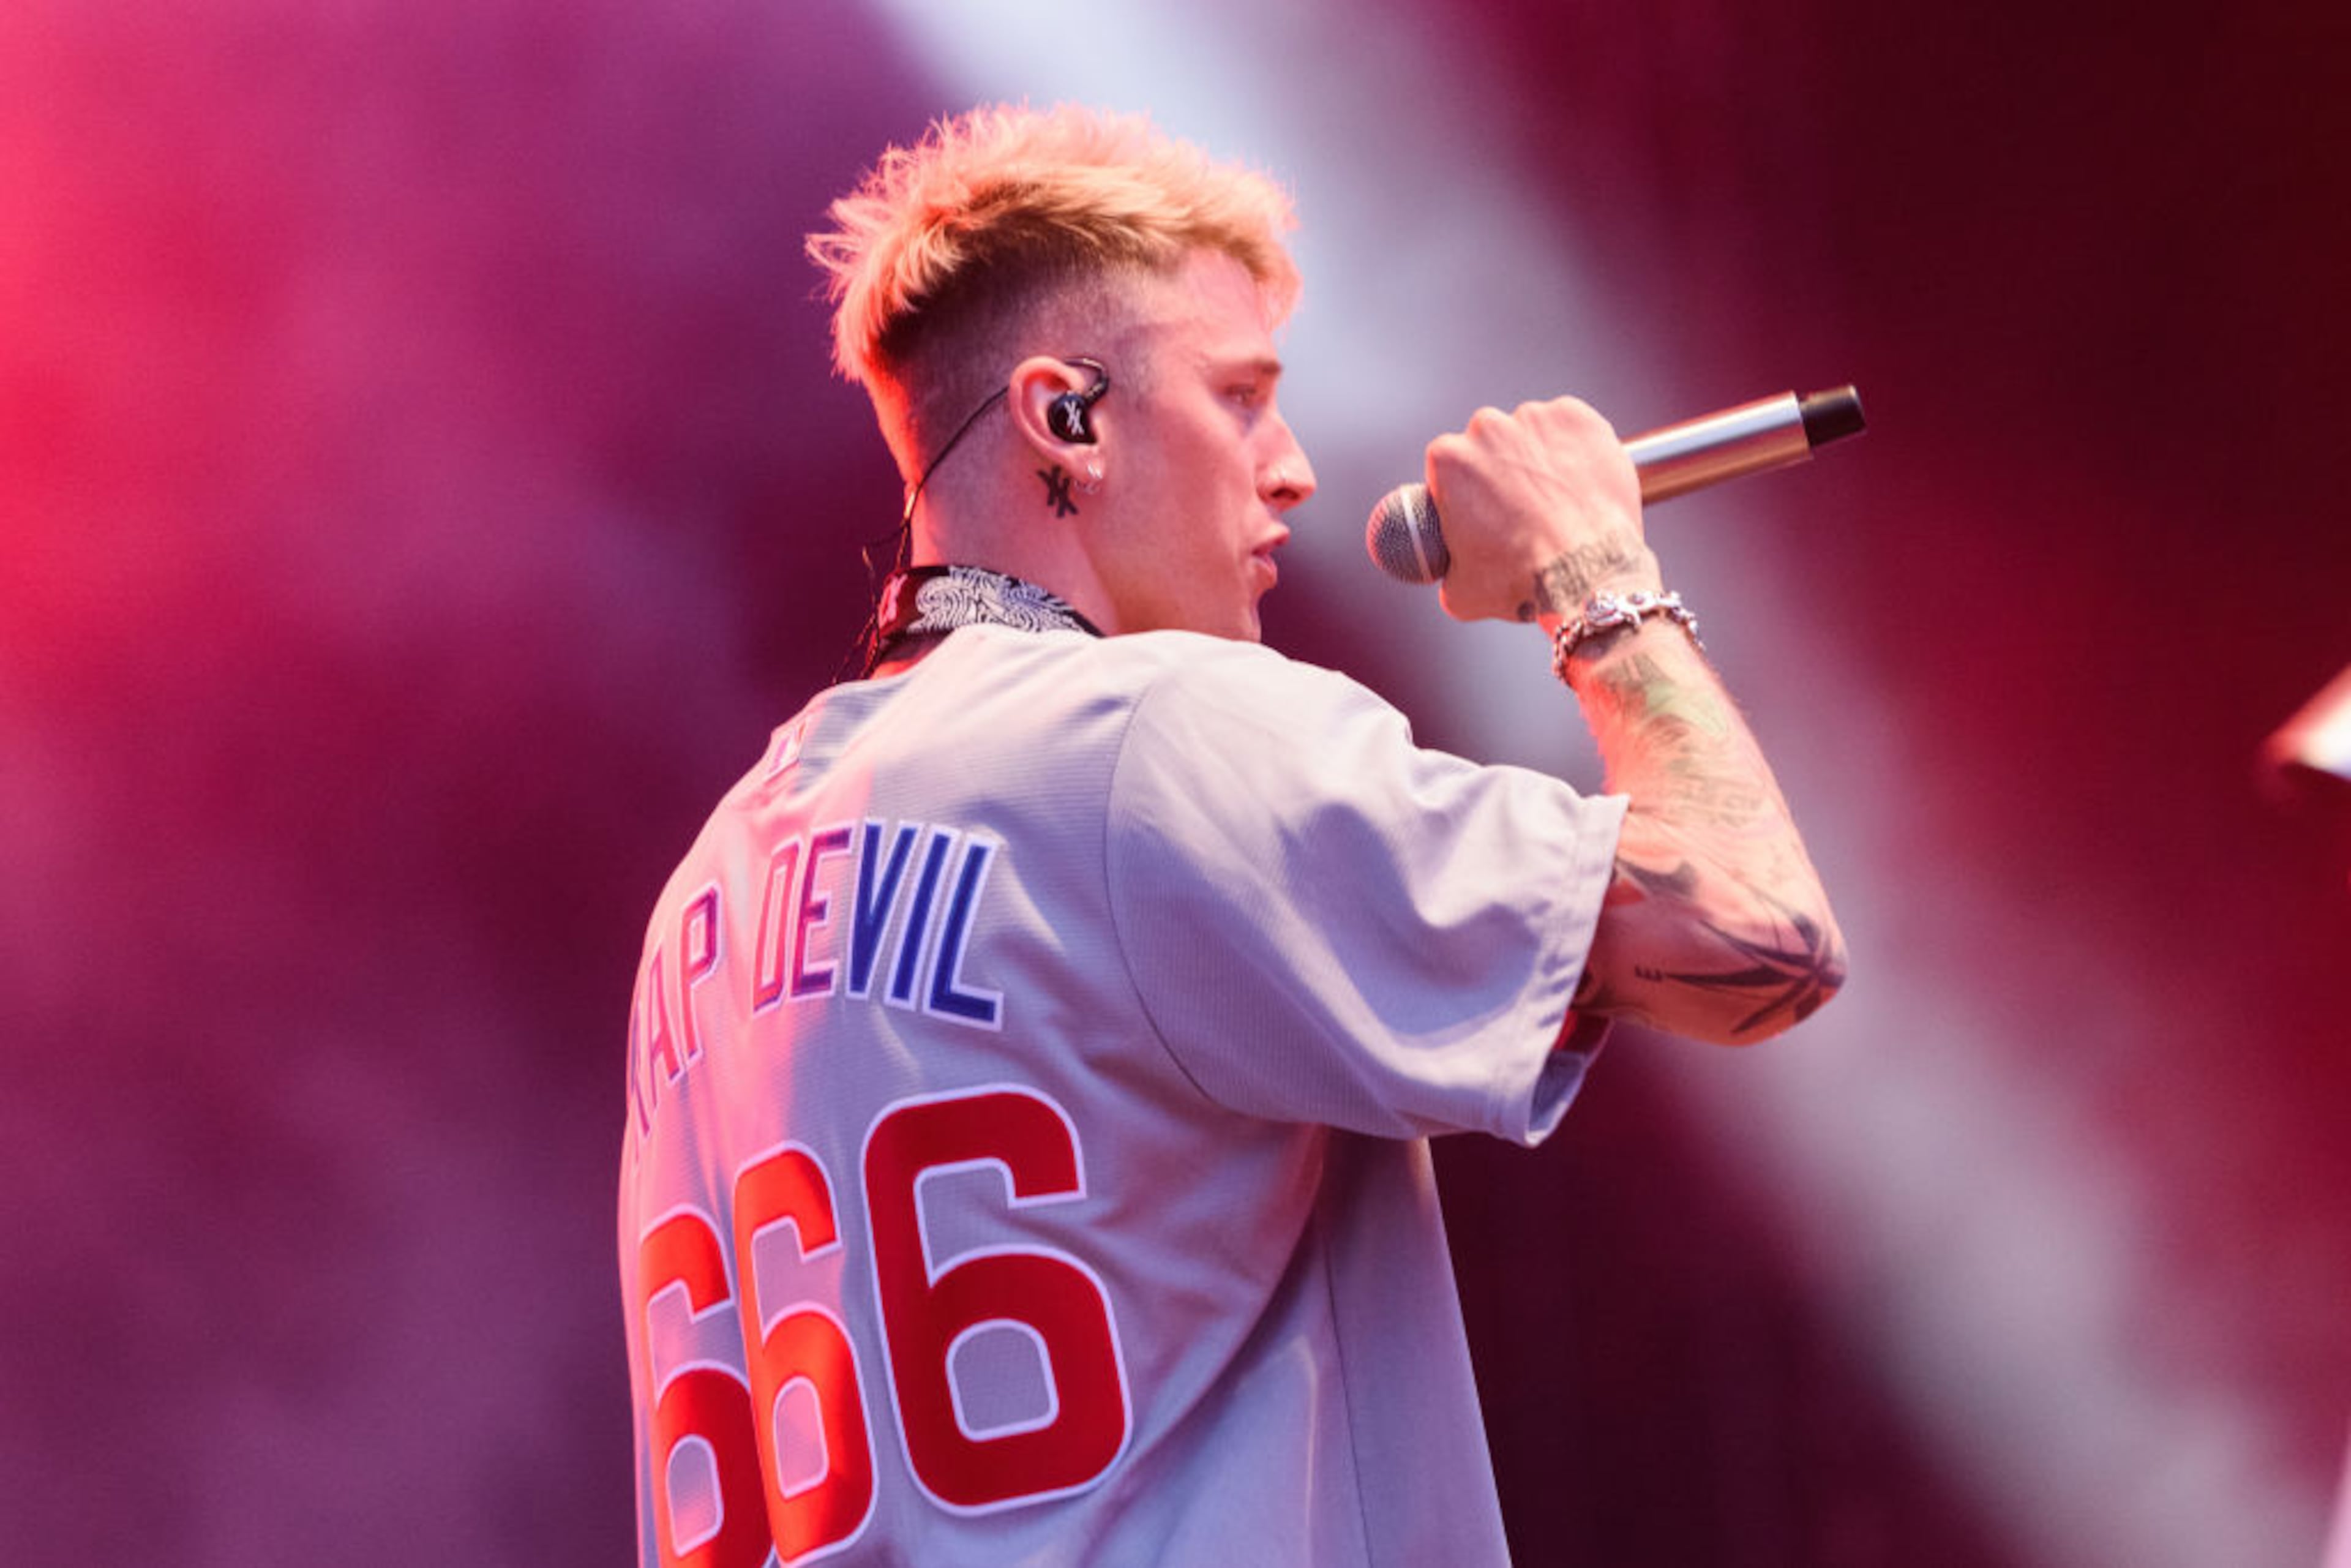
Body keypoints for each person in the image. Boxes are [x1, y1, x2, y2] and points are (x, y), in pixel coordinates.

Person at [617, 103, 1844, 1567]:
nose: (1294, 469)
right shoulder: (1153, 735)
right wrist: (1598, 582)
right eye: (1241, 396)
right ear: (1067, 416)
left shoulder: (707, 896)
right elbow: (1760, 931)